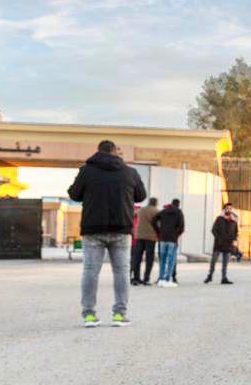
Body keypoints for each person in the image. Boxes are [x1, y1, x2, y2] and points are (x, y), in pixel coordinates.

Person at [67, 140, 147, 327]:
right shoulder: (130, 172)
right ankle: (119, 315)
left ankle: (89, 316)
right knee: (121, 272)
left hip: (93, 229)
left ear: (98, 152)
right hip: (121, 229)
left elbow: (74, 194)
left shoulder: (86, 171)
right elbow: (141, 196)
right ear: (115, 152)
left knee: (90, 272)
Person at [152, 198, 185, 287]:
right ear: (178, 204)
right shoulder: (179, 212)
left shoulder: (164, 211)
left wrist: (159, 231)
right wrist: (176, 234)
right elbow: (182, 227)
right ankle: (168, 279)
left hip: (162, 238)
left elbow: (153, 220)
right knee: (171, 259)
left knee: (162, 259)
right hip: (172, 239)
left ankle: (161, 278)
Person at [205, 203, 238, 285]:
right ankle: (210, 276)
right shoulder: (219, 219)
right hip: (218, 244)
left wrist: (233, 240)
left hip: (228, 245)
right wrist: (218, 239)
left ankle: (224, 278)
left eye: (230, 208)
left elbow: (236, 232)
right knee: (213, 261)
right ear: (224, 209)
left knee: (225, 263)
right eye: (227, 208)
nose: (229, 210)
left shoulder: (234, 221)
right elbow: (213, 230)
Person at [131, 197, 160, 285]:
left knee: (137, 258)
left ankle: (136, 278)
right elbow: (158, 224)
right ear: (156, 203)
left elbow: (133, 215)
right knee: (149, 259)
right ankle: (146, 279)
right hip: (151, 237)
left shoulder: (141, 210)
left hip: (139, 236)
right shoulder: (157, 211)